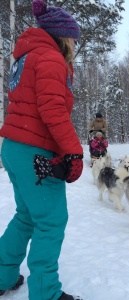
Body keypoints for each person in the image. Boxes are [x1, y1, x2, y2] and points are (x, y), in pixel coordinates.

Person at [0, 1, 83, 299]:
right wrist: (74, 153)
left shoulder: (28, 56)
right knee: (50, 220)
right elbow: (53, 110)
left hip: (15, 146)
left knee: (26, 216)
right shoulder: (49, 58)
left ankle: (3, 274)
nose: (75, 44)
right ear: (62, 36)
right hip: (34, 151)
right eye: (74, 38)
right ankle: (46, 293)